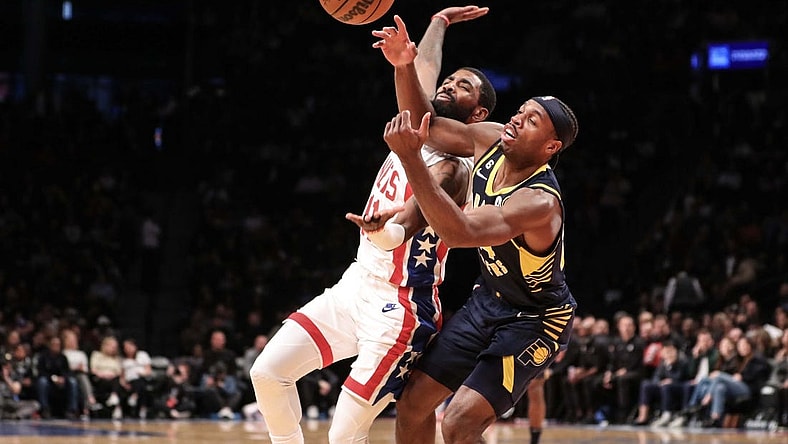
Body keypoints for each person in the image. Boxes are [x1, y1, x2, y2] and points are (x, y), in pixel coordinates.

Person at [249, 6, 495, 444]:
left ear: (477, 115)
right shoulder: (417, 126)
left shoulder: (455, 169)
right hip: (355, 285)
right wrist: (437, 23)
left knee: (344, 435)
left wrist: (381, 228)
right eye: (450, 79)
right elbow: (421, 68)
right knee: (267, 373)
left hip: (400, 307)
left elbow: (405, 227)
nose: (448, 85)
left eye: (464, 87)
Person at [374, 14, 579, 444]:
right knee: (412, 404)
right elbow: (426, 124)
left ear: (550, 147)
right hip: (487, 300)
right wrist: (403, 66)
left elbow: (460, 232)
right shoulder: (489, 138)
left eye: (532, 120)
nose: (517, 119)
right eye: (521, 111)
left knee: (458, 424)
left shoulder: (539, 203)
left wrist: (411, 159)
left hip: (535, 319)